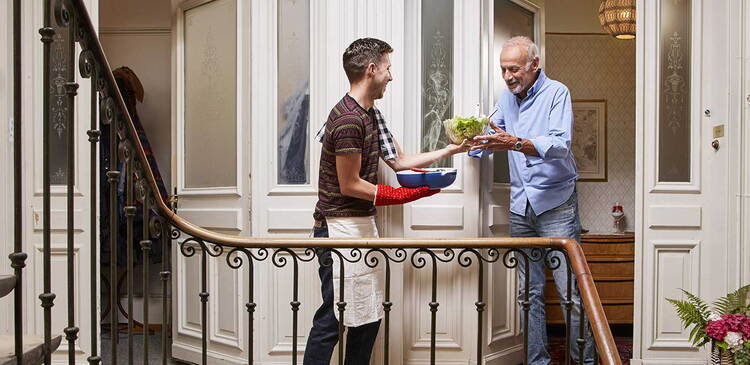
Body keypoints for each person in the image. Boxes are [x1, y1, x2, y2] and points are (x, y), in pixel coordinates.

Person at [304, 38, 468, 365]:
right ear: (372, 69)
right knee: (333, 319)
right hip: (337, 230)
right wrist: (402, 195)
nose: (391, 76)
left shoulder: (370, 114)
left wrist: (451, 151)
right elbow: (350, 185)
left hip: (359, 227)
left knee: (367, 318)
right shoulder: (348, 119)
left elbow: (400, 162)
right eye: (388, 68)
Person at [470, 36, 596, 365]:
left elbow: (560, 145)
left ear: (534, 65)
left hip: (556, 204)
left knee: (571, 293)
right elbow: (493, 134)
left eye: (514, 69)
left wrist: (516, 142)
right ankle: (538, 361)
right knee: (529, 293)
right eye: (503, 70)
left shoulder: (557, 93)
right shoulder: (505, 98)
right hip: (520, 207)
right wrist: (473, 142)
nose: (508, 76)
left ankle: (583, 361)